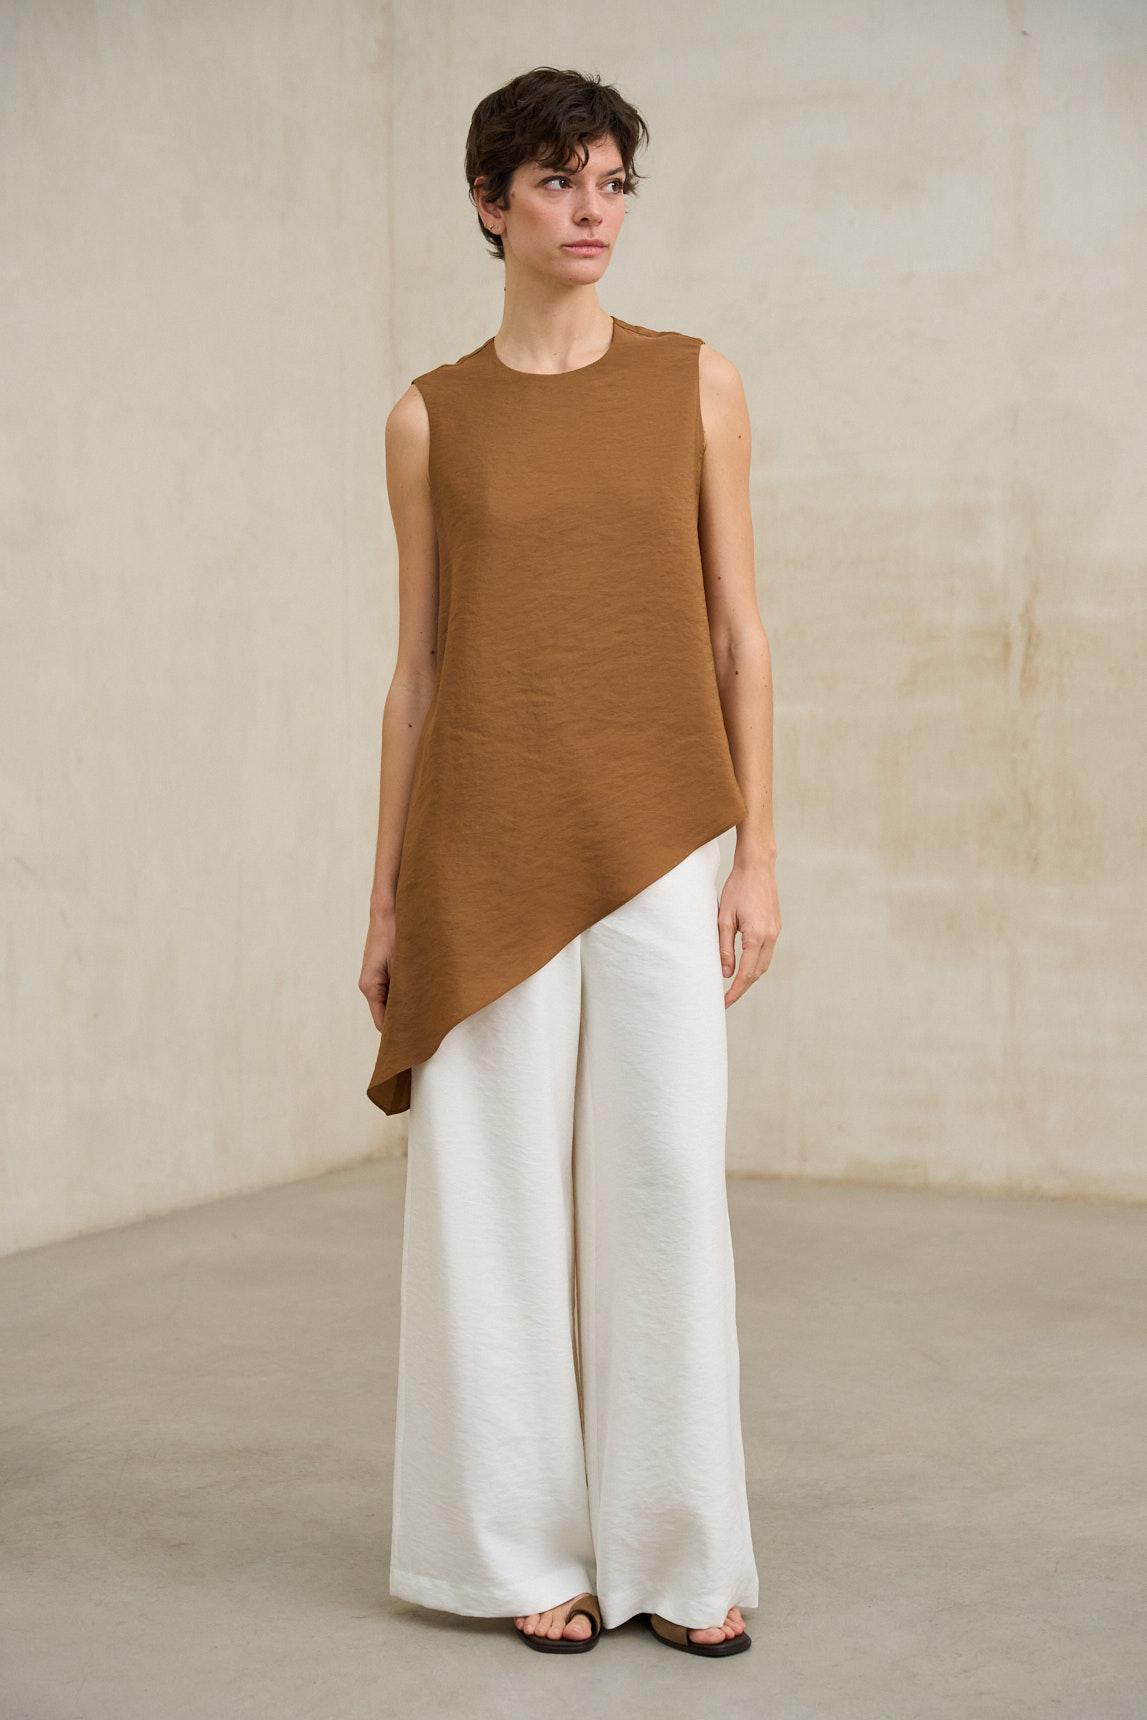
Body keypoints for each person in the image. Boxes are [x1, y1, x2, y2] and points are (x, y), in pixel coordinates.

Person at [359, 65, 780, 1659]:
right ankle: (514, 1552)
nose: (593, 210)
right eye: (558, 183)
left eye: (611, 182)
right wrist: (387, 898)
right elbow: (418, 670)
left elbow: (740, 631)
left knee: (665, 1185)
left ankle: (680, 1551)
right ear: (491, 204)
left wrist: (758, 852)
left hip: (663, 839)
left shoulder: (696, 383)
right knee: (491, 1209)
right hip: (481, 848)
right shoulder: (430, 418)